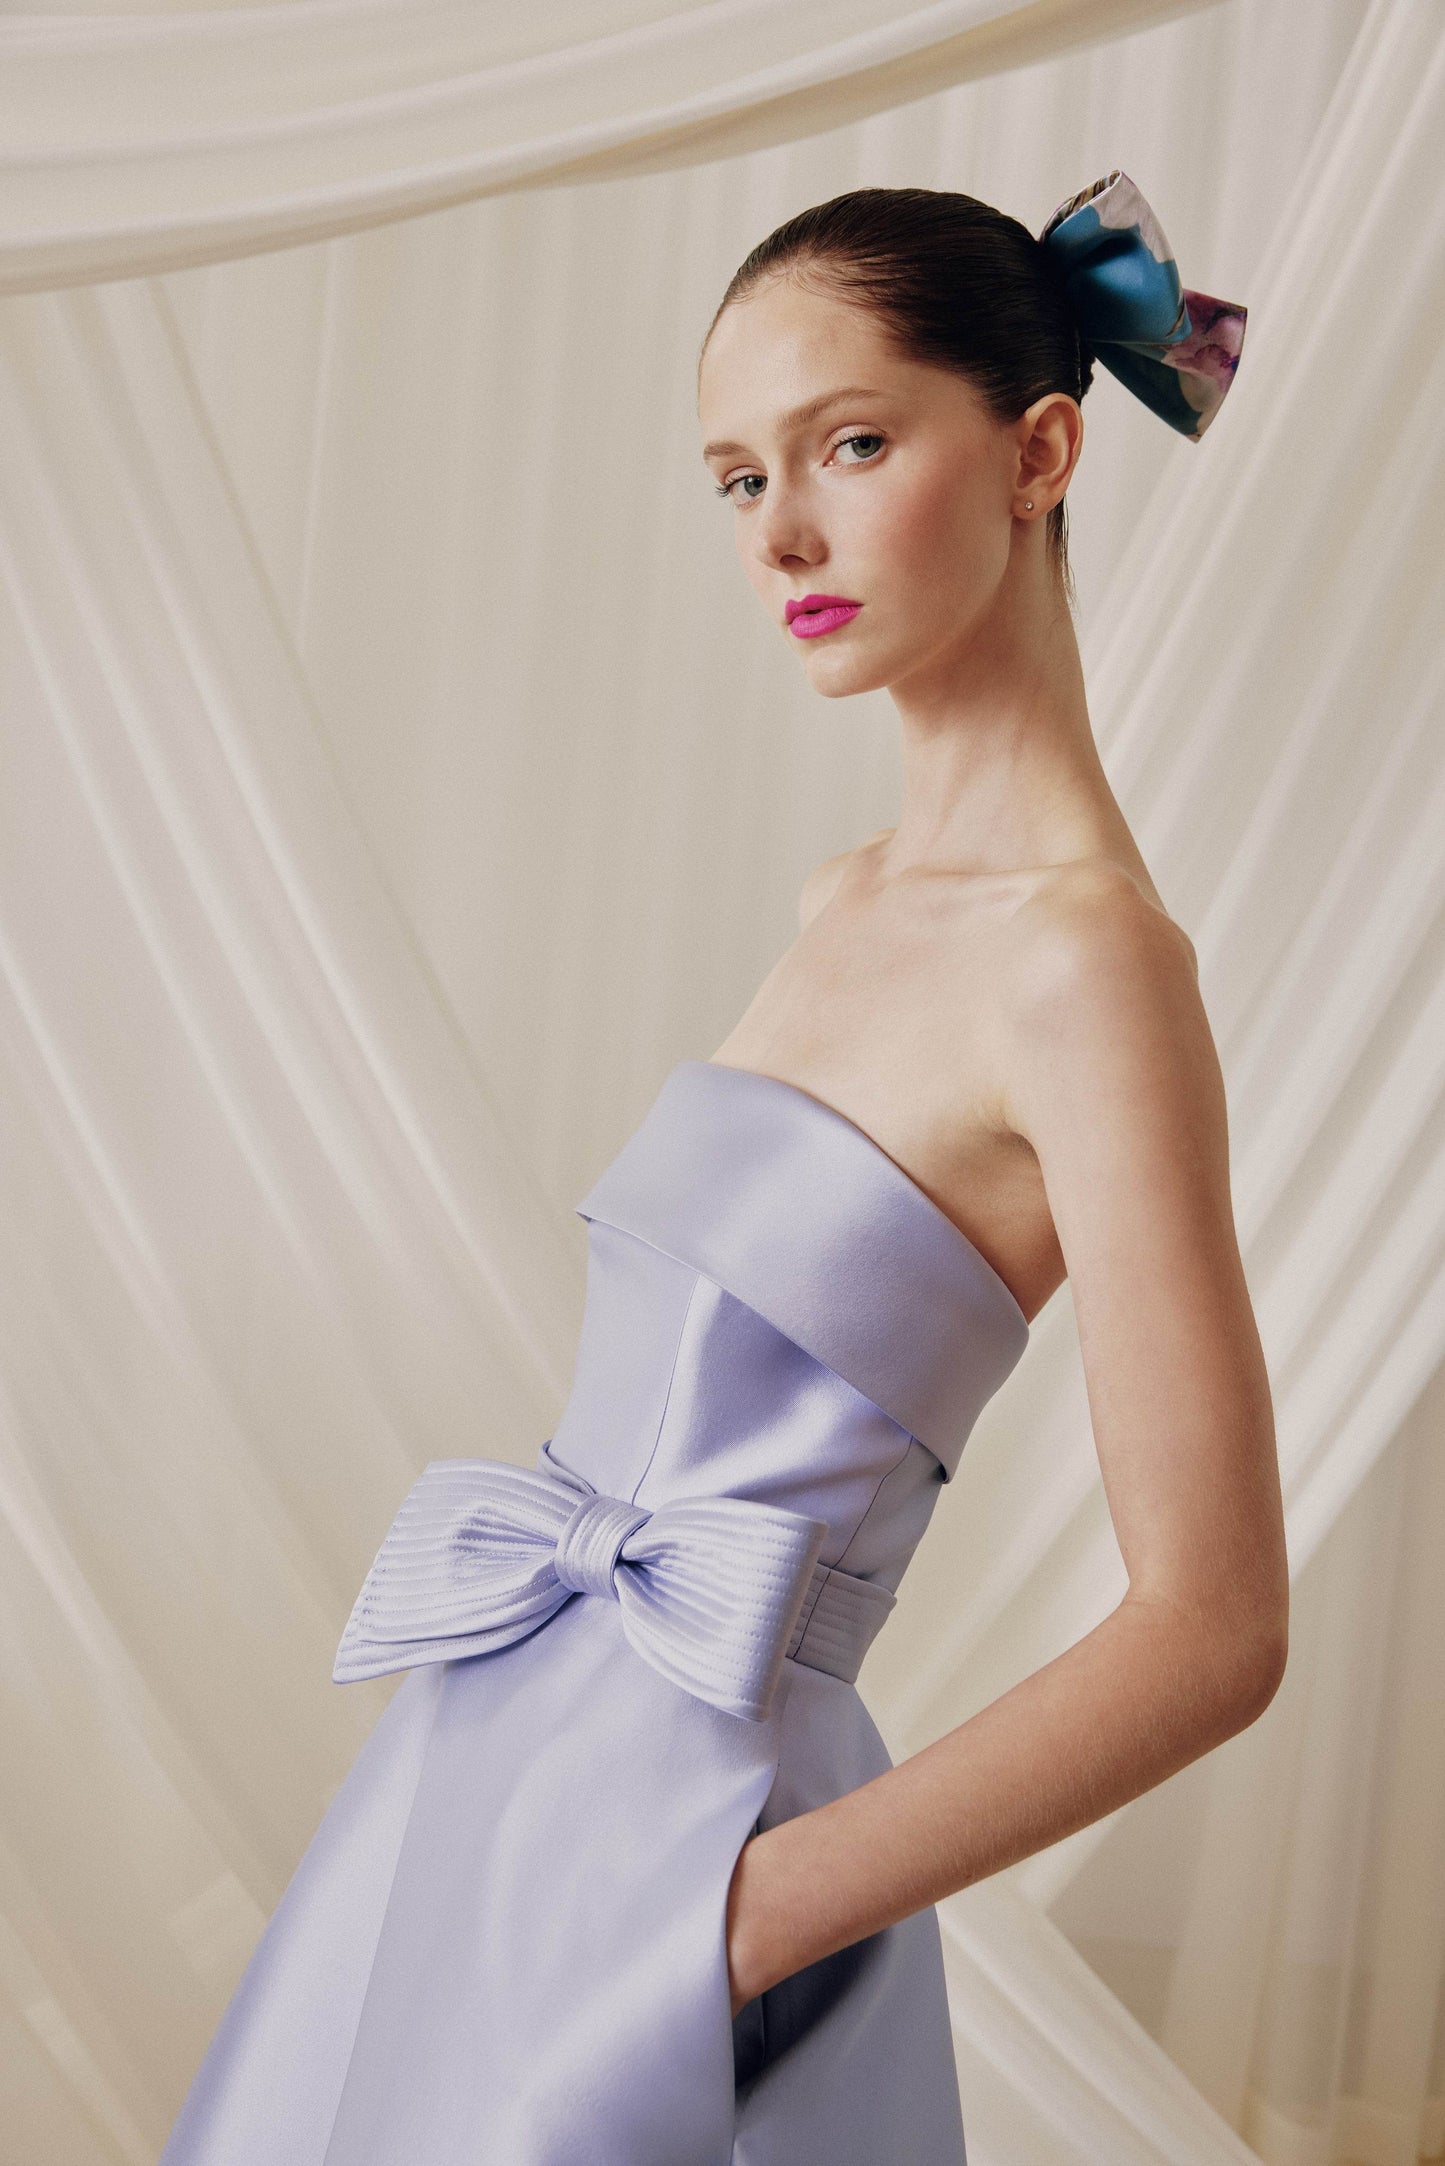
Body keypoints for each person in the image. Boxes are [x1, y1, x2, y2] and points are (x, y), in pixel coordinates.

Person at [159, 174, 1284, 2166]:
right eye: (736, 479)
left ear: (1040, 453)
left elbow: (1214, 1624)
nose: (777, 536)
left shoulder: (1089, 967)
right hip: (485, 1756)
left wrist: (748, 1915)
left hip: (696, 1853)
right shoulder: (845, 899)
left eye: (848, 446)